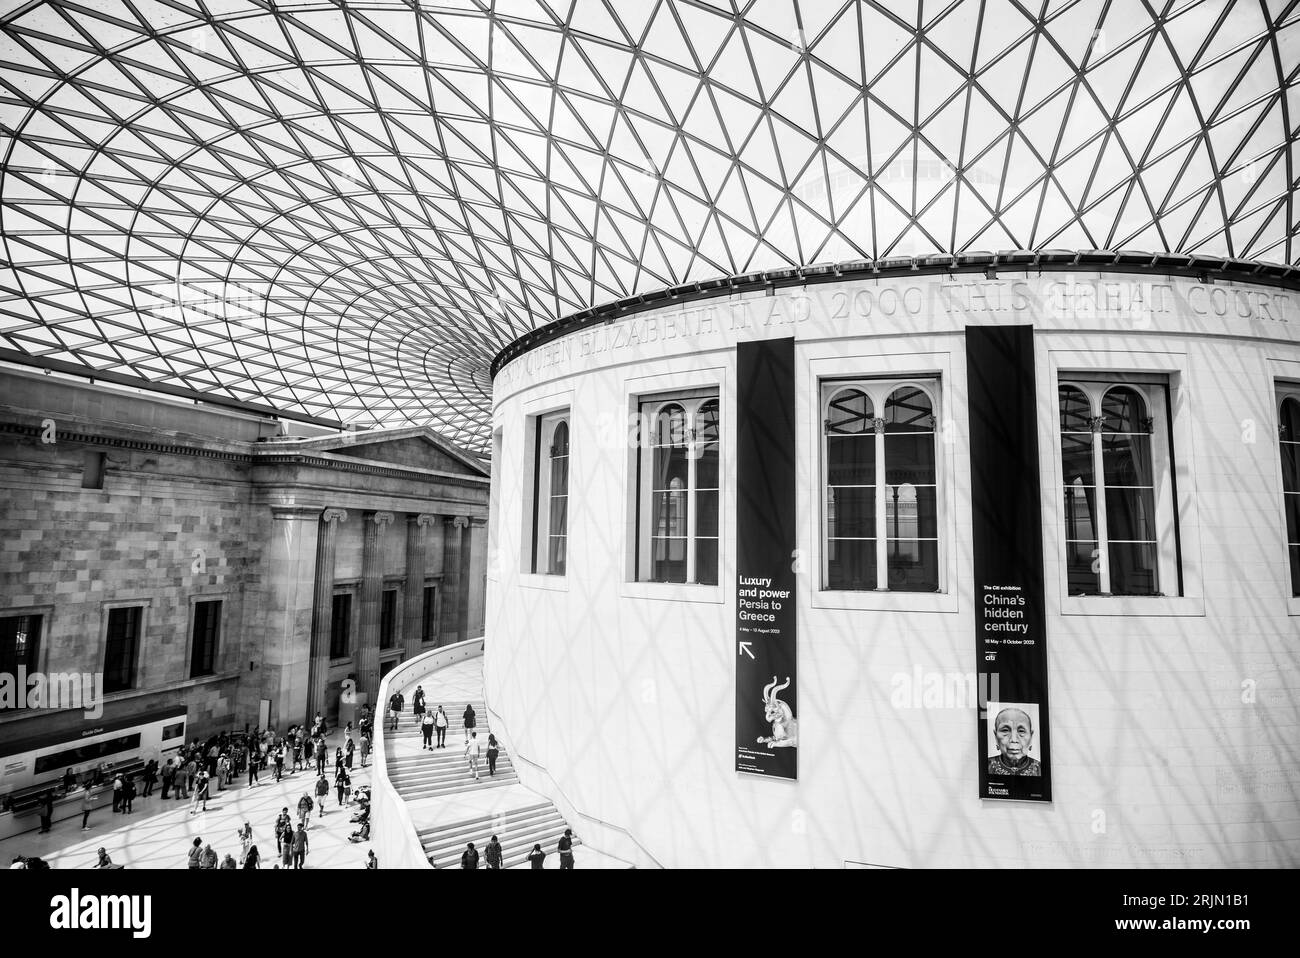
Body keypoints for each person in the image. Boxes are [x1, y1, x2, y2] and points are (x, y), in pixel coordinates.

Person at [987, 707, 1042, 776]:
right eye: (1005, 730)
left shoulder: (1041, 769)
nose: (1014, 740)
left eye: (1021, 731)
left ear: (1031, 737)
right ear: (996, 736)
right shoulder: (985, 766)